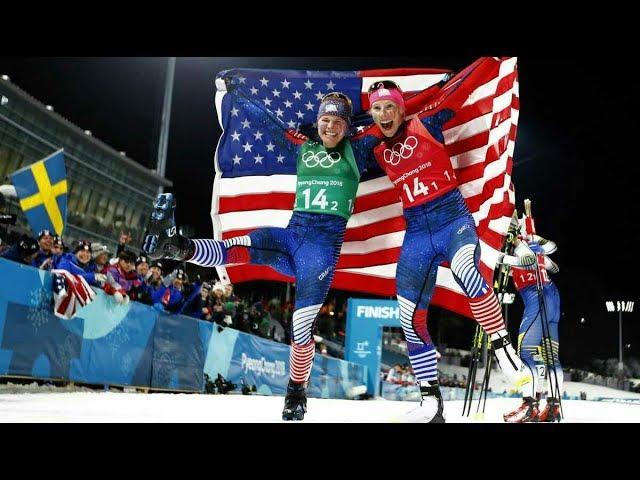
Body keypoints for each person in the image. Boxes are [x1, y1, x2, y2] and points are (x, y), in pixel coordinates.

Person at [143, 92, 373, 421]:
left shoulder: (357, 149)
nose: (330, 127)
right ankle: (177, 247)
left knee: (301, 325)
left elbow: (387, 124)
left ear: (347, 126)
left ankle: (296, 394)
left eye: (338, 122)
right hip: (291, 237)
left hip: (320, 252)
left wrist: (438, 91)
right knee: (242, 246)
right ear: (318, 121)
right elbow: (270, 126)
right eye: (325, 121)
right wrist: (240, 95)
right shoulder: (303, 146)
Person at [363, 80, 531, 422]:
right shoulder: (374, 146)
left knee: (468, 273)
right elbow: (332, 138)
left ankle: (502, 349)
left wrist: (488, 63)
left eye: (390, 106)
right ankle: (431, 402)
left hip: (452, 221)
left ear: (400, 107)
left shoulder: (427, 123)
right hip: (418, 233)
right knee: (408, 317)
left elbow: (464, 90)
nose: (384, 114)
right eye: (377, 108)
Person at [503, 231, 562, 423]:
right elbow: (554, 267)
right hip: (552, 295)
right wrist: (538, 245)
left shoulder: (520, 247)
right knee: (551, 357)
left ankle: (530, 406)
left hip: (537, 297)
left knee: (525, 354)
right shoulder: (531, 247)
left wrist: (503, 258)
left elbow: (528, 261)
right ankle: (553, 407)